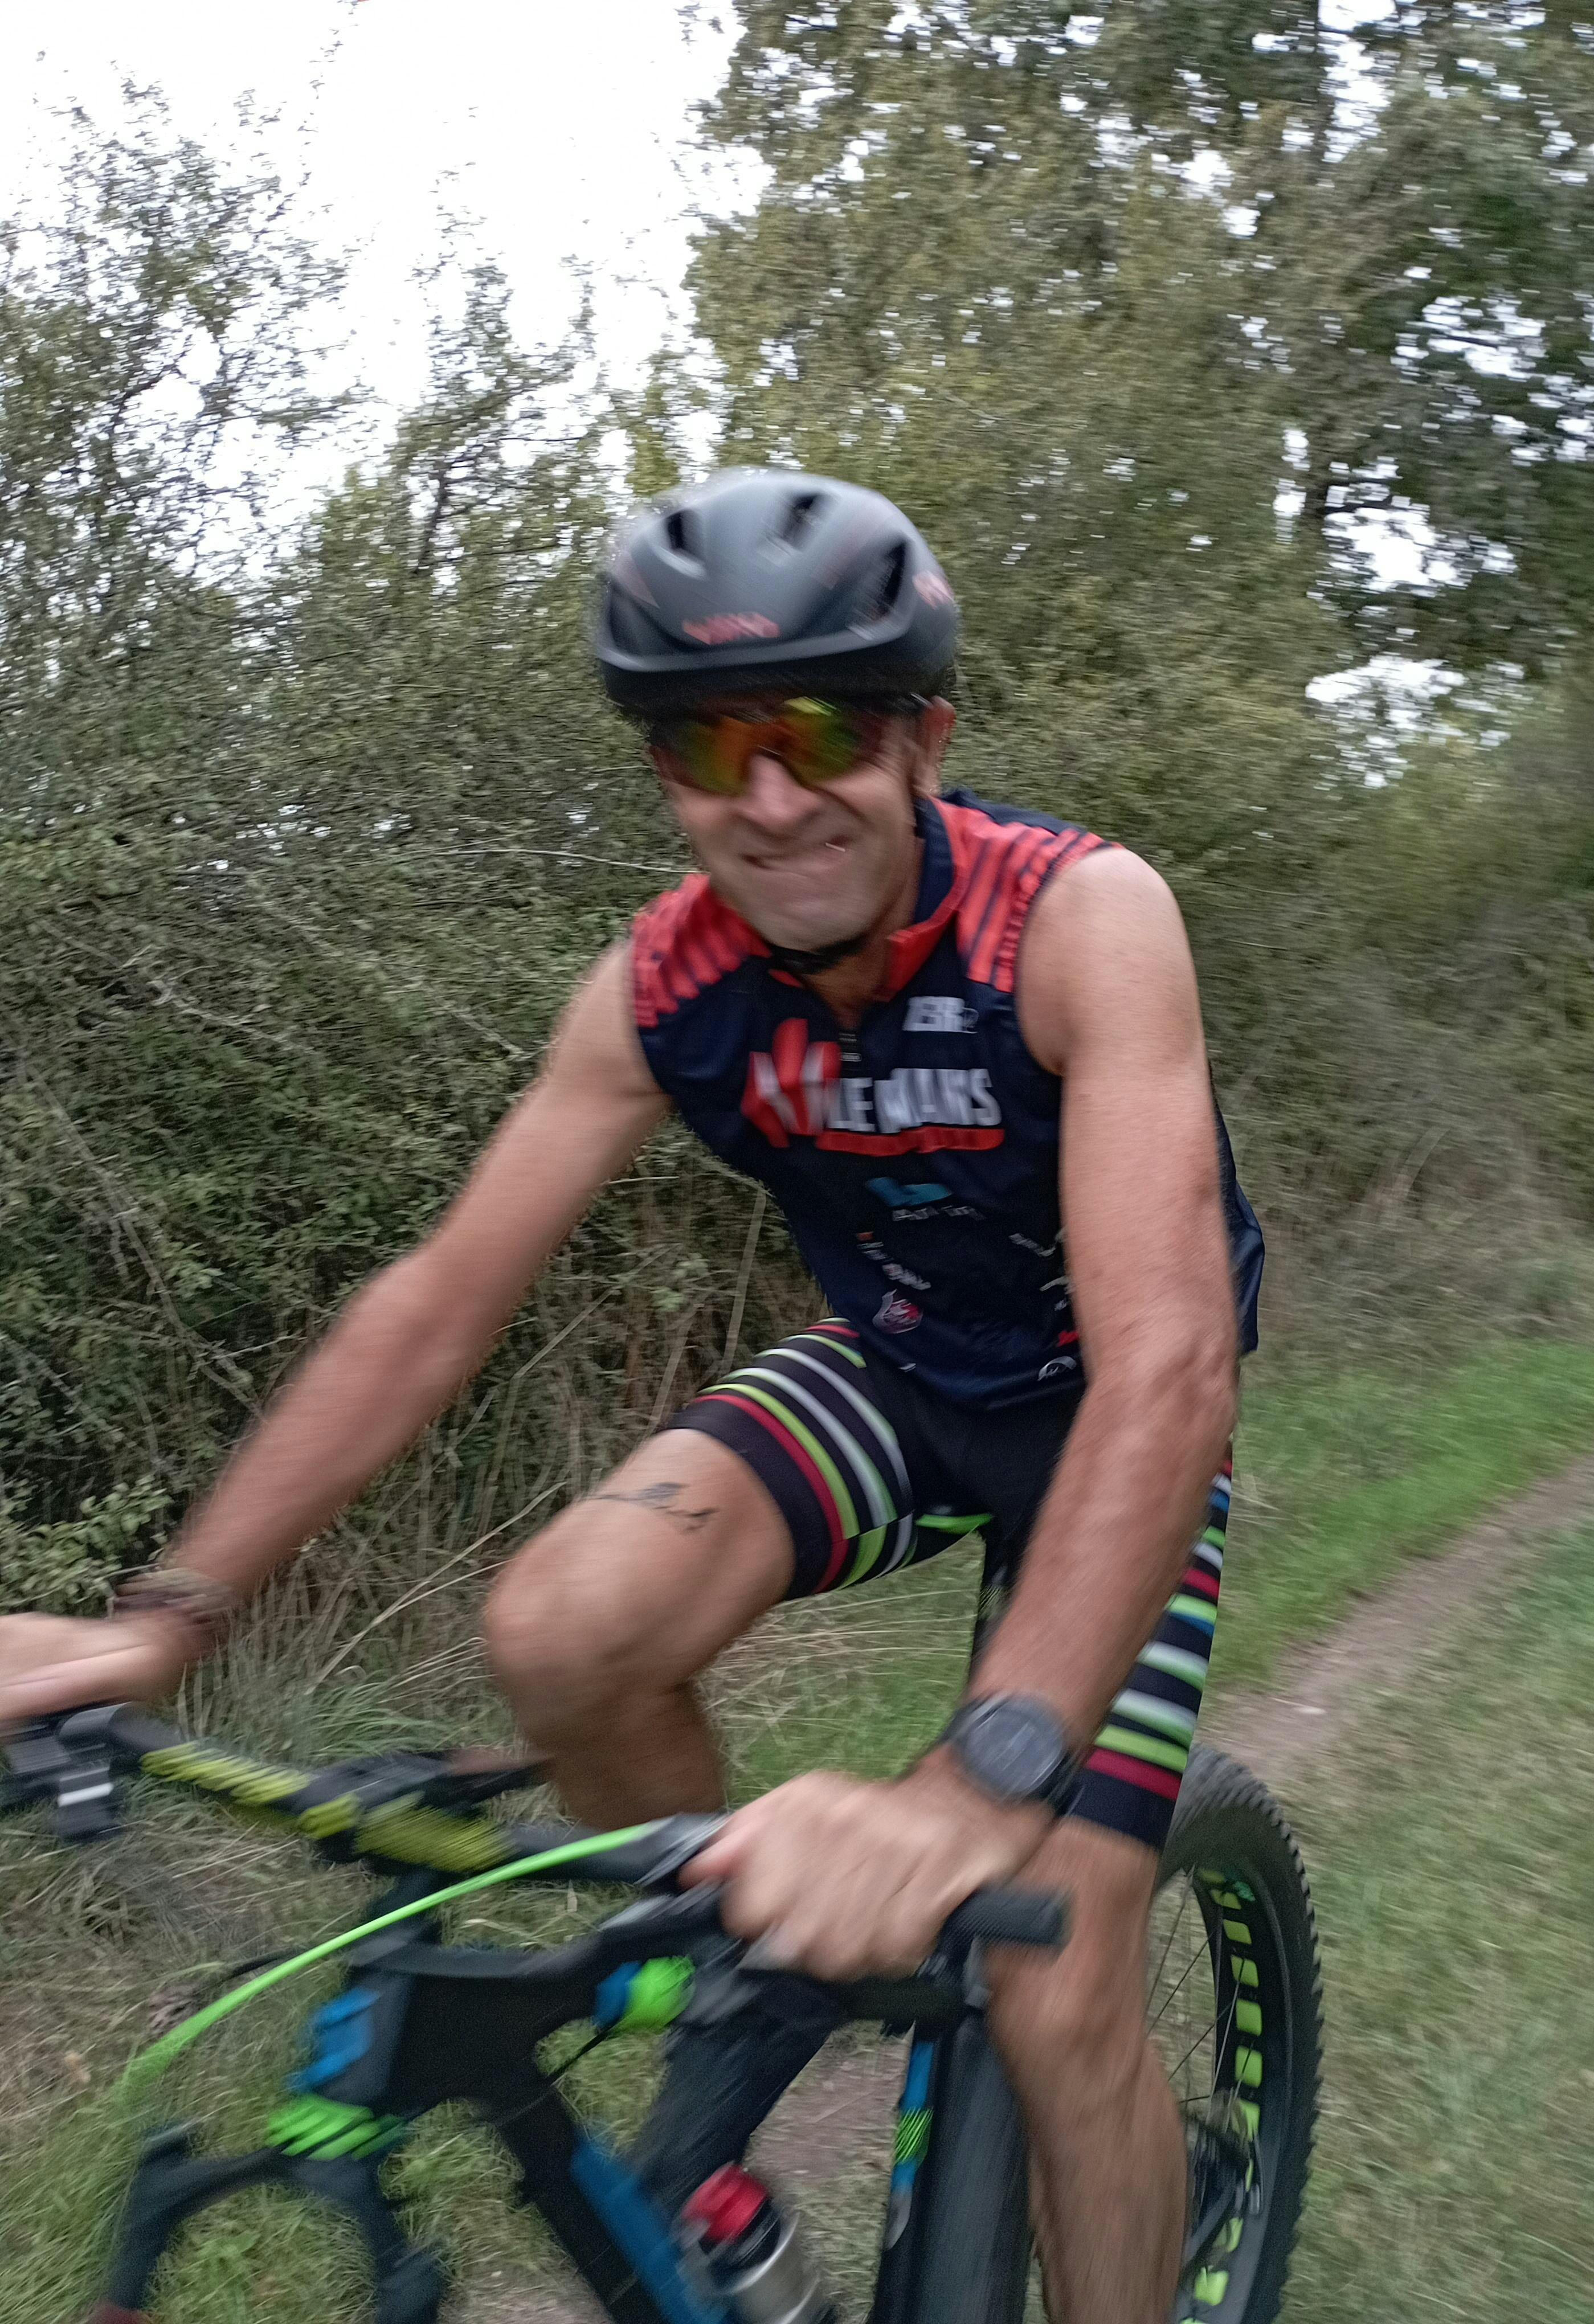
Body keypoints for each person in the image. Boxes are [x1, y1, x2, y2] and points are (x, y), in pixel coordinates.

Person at [0, 469, 1262, 2323]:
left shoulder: (1077, 920)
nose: (771, 796)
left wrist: (968, 1785)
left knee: (1055, 1976)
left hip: (1108, 1419)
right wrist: (164, 1625)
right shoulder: (665, 990)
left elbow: (1172, 1365)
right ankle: (740, 2024)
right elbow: (435, 1305)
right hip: (901, 1371)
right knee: (563, 1624)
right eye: (705, 745)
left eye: (820, 730)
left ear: (924, 739)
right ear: (663, 773)